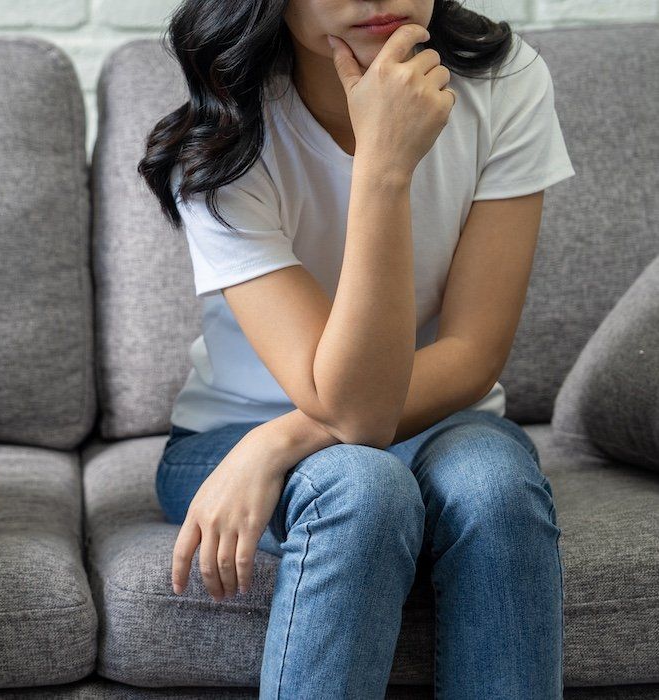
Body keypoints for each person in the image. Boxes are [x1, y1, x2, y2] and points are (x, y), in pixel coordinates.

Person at [137, 0, 573, 697]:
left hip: (433, 417)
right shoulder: (221, 133)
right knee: (362, 486)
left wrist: (281, 441)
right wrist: (383, 166)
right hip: (228, 432)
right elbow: (355, 412)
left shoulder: (503, 80)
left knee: (494, 485)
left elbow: (471, 349)